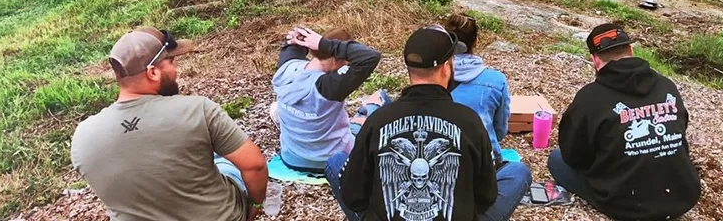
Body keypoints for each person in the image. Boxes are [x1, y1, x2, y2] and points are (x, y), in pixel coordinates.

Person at [326, 25, 531, 221]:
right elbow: (486, 197)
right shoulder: (470, 121)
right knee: (518, 172)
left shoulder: (377, 121)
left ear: (409, 68)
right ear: (445, 68)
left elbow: (354, 196)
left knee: (336, 162)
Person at [71, 27, 269, 221]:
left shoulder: (82, 135)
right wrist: (256, 205)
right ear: (153, 73)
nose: (175, 70)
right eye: (171, 62)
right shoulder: (199, 110)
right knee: (222, 160)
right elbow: (256, 167)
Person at [550, 23, 701, 221]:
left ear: (595, 60)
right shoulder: (667, 85)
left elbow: (573, 156)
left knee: (556, 159)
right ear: (631, 50)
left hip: (627, 204)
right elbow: (681, 130)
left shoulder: (590, 97)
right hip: (683, 195)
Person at [272, 26, 383, 172]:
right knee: (377, 101)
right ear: (337, 60)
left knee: (275, 107)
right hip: (333, 160)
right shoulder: (329, 86)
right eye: (345, 62)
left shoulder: (286, 68)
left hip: (292, 158)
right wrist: (323, 44)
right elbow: (370, 57)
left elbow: (291, 48)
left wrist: (298, 39)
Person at [442, 14, 510, 163]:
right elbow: (500, 130)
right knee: (520, 172)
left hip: (443, 159)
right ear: (476, 41)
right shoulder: (496, 80)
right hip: (482, 161)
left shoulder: (429, 76)